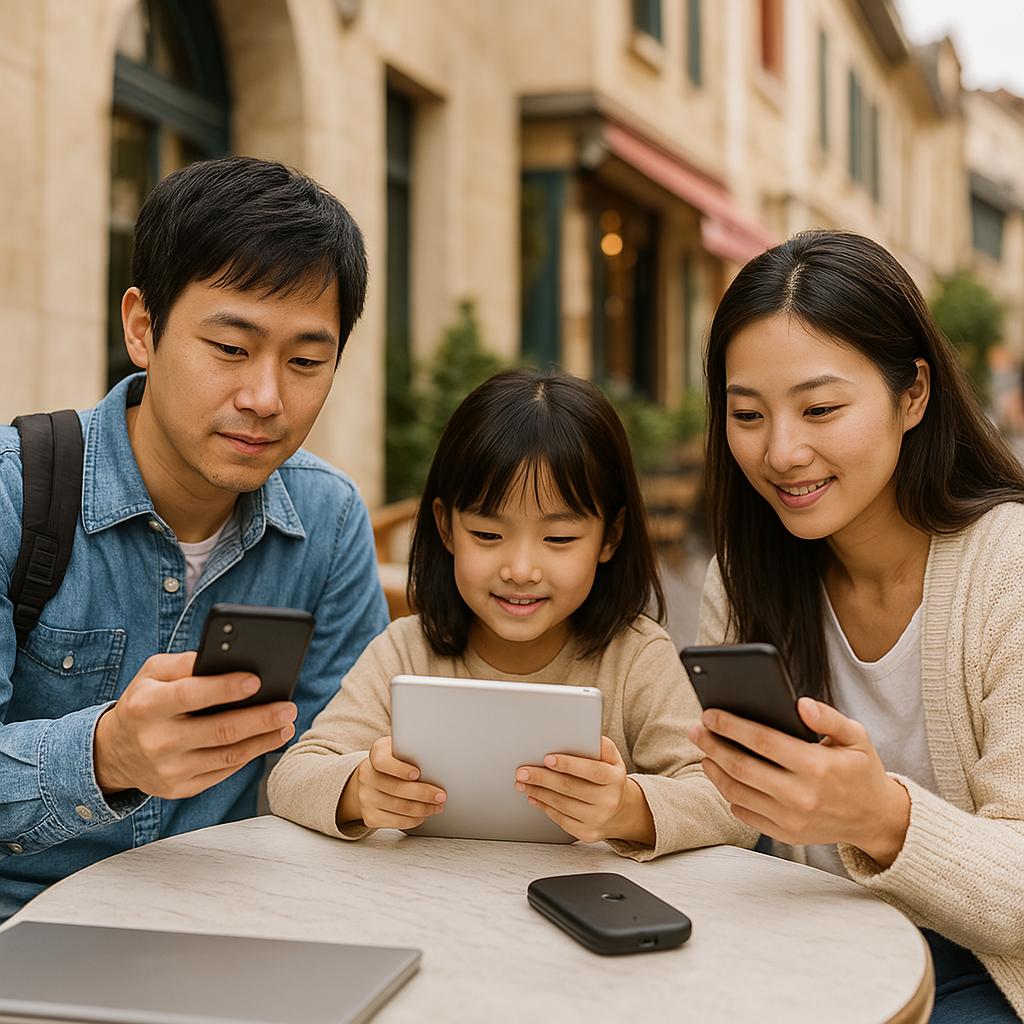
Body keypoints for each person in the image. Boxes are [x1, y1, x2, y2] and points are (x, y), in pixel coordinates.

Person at [0, 157, 389, 921]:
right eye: (231, 349)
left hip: (241, 928)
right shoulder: (16, 496)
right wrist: (106, 756)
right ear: (142, 328)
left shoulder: (330, 521)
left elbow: (327, 765)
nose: (266, 399)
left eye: (307, 361)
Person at [689, 230, 1024, 1021]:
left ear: (913, 394)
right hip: (811, 948)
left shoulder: (1008, 568)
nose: (781, 451)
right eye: (747, 413)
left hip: (988, 969)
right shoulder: (740, 578)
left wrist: (880, 816)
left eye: (820, 408)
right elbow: (718, 819)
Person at [269, 368, 751, 858]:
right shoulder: (407, 650)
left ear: (610, 536)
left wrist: (628, 808)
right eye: (487, 535)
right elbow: (293, 775)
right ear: (446, 527)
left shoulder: (635, 657)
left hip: (587, 913)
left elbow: (732, 803)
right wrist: (360, 789)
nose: (521, 570)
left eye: (559, 539)